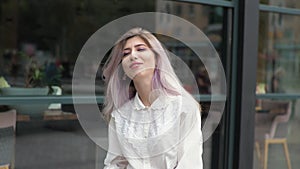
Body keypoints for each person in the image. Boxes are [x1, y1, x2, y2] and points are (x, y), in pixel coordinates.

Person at [102, 27, 203, 169]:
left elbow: (190, 163)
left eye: (141, 49)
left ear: (157, 59)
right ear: (123, 70)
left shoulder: (184, 108)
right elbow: (114, 164)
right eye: (126, 53)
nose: (133, 56)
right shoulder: (119, 116)